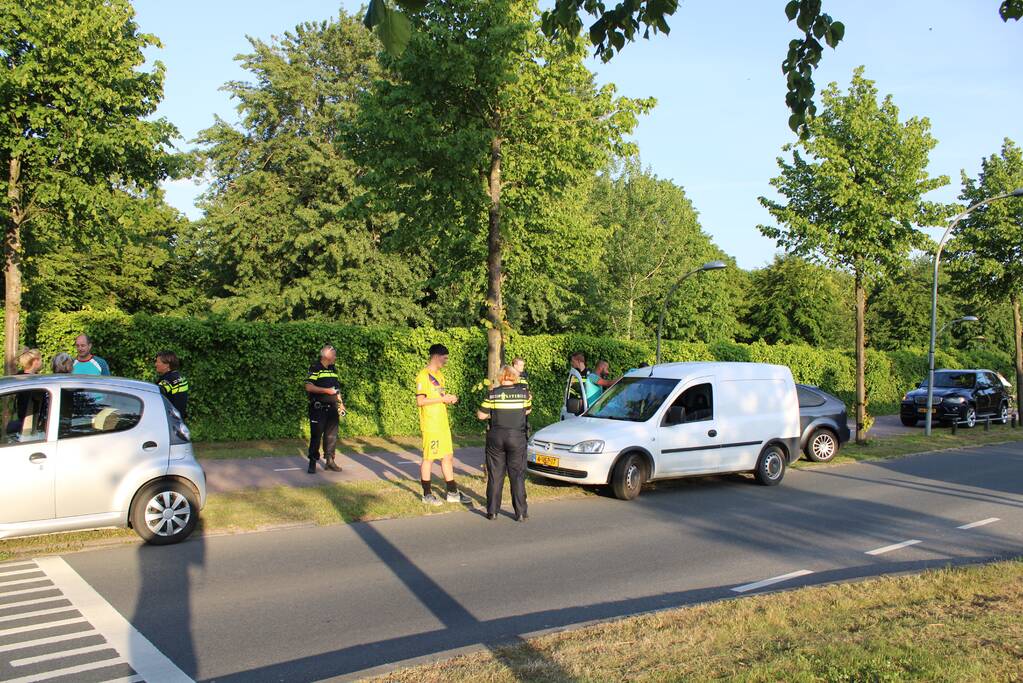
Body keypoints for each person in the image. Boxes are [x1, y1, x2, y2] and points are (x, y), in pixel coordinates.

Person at [415, 343, 471, 506]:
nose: (446, 361)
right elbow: (420, 401)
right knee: (429, 458)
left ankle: (452, 493)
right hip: (431, 424)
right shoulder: (423, 376)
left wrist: (449, 399)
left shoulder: (440, 375)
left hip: (442, 423)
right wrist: (442, 399)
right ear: (436, 357)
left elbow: (440, 396)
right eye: (444, 358)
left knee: (447, 457)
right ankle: (427, 494)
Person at [477, 365, 531, 521]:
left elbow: (481, 415)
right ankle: (520, 513)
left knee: (495, 475)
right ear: (515, 377)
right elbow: (527, 411)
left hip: (496, 437)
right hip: (517, 436)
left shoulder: (493, 394)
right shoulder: (524, 394)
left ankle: (492, 512)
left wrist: (493, 415)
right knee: (517, 475)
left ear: (500, 377)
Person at [305, 345, 346, 474]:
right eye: (334, 355)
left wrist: (341, 403)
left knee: (331, 436)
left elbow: (336, 389)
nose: (335, 357)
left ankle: (330, 461)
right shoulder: (315, 368)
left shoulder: (333, 369)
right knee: (316, 436)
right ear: (327, 356)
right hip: (318, 409)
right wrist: (326, 391)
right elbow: (308, 387)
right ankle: (312, 462)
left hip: (332, 408)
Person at [155, 350, 189, 420]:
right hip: (179, 418)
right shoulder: (180, 377)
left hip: (169, 419)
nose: (156, 364)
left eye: (158, 362)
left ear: (167, 365)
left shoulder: (167, 380)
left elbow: (155, 396)